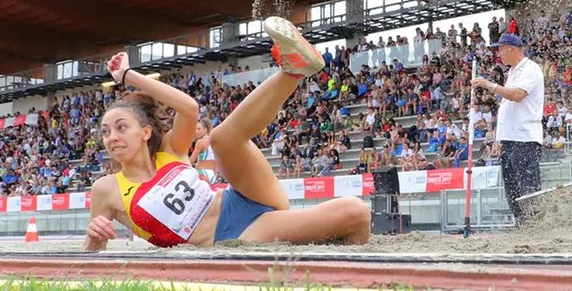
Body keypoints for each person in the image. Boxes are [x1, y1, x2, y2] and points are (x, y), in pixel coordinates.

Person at [83, 17, 370, 250]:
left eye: (121, 127)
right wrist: (95, 238)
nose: (112, 137)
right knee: (354, 212)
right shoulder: (107, 189)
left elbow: (189, 107)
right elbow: (91, 255)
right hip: (231, 234)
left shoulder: (170, 151)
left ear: (146, 132)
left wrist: (127, 76)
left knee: (221, 137)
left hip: (241, 197)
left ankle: (293, 70)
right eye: (106, 131)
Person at [472, 33, 544, 225]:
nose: (499, 54)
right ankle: (521, 223)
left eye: (501, 49)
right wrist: (498, 138)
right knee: (512, 188)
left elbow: (517, 95)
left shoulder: (530, 68)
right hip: (510, 139)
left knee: (527, 187)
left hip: (525, 138)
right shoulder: (512, 73)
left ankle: (535, 224)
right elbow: (506, 108)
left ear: (512, 49)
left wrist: (490, 85)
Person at [189, 120, 219, 184]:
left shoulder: (201, 142)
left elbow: (191, 160)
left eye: (199, 129)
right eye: (196, 129)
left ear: (206, 129)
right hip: (212, 175)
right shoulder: (215, 141)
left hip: (201, 172)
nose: (196, 131)